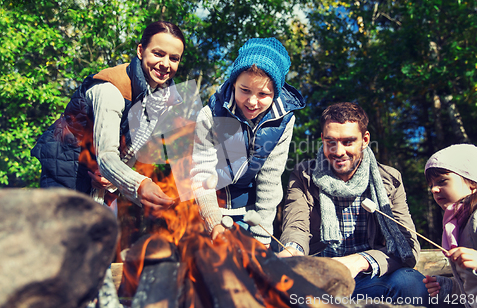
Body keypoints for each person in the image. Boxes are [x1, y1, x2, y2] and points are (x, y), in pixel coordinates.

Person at [278, 102, 429, 305]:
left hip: (371, 278)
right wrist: (292, 249)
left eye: (348, 142)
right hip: (319, 280)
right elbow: (296, 225)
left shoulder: (390, 179)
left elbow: (408, 246)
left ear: (365, 140)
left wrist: (360, 261)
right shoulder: (303, 175)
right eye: (331, 142)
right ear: (322, 139)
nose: (339, 151)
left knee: (412, 283)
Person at [31, 21, 184, 210]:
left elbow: (129, 152)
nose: (165, 64)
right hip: (66, 176)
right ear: (140, 51)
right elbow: (107, 156)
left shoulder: (162, 101)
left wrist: (114, 181)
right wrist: (140, 184)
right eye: (158, 54)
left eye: (174, 58)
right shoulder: (111, 90)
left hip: (101, 187)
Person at [190, 37, 305, 246]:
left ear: (276, 93)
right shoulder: (209, 116)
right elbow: (201, 174)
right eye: (245, 90)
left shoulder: (284, 120)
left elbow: (270, 179)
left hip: (250, 215)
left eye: (263, 94)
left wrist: (262, 238)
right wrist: (214, 222)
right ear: (234, 83)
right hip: (207, 209)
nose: (252, 102)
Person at [422, 144, 477, 308]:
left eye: (442, 181)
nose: (434, 189)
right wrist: (449, 286)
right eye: (431, 185)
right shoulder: (460, 222)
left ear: (473, 183)